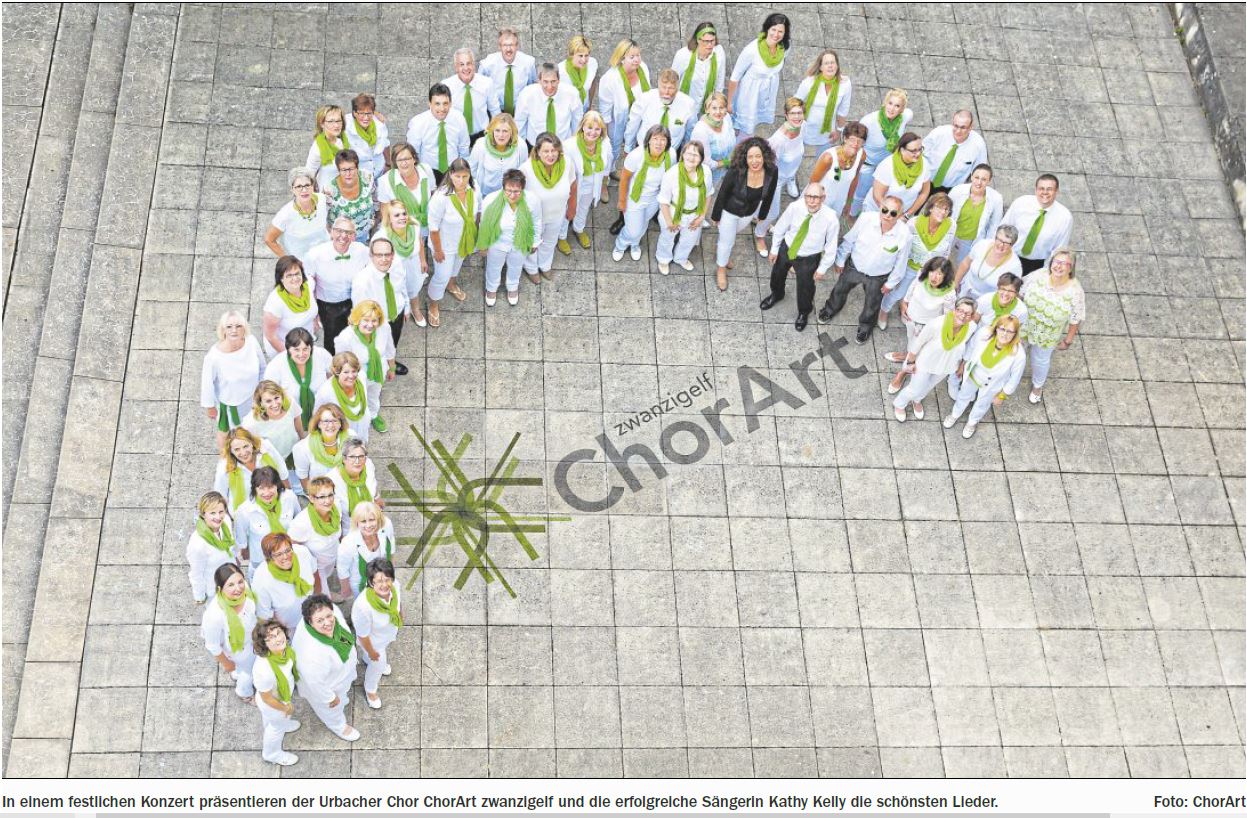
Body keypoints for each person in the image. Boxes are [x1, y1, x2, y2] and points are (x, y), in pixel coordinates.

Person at [819, 195, 913, 343]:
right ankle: (829, 310)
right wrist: (840, 260)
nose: (887, 215)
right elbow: (850, 240)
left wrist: (891, 283)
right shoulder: (866, 219)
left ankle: (865, 327)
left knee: (872, 304)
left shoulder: (905, 235)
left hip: (878, 277)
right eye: (885, 210)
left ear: (900, 215)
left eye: (893, 213)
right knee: (839, 290)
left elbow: (901, 262)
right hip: (854, 267)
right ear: (880, 207)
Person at [759, 183, 840, 331]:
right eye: (808, 196)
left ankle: (804, 312)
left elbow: (831, 246)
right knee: (777, 275)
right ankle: (776, 294)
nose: (811, 201)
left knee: (805, 287)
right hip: (788, 248)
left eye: (816, 197)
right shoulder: (795, 207)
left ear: (823, 198)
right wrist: (774, 249)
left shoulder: (830, 218)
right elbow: (781, 227)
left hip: (809, 257)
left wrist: (822, 268)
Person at [891, 297, 977, 422]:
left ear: (972, 316)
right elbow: (919, 342)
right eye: (960, 310)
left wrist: (962, 364)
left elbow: (967, 347)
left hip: (947, 365)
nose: (963, 316)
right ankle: (899, 404)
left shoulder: (971, 327)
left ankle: (917, 400)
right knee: (914, 389)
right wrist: (910, 361)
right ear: (954, 310)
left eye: (967, 313)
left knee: (928, 386)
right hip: (926, 363)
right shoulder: (937, 324)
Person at [708, 136, 778, 291]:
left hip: (748, 213)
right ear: (745, 158)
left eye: (758, 156)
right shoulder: (736, 171)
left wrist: (763, 214)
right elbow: (723, 193)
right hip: (729, 212)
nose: (754, 161)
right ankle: (721, 268)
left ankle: (722, 253)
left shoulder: (772, 171)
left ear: (764, 156)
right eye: (750, 157)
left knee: (729, 237)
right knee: (727, 241)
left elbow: (770, 193)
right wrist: (716, 215)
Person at [878, 192, 954, 331]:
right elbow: (902, 248)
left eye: (946, 209)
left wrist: (943, 269)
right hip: (911, 267)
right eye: (939, 207)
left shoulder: (951, 225)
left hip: (931, 270)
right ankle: (883, 311)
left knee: (917, 294)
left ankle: (905, 308)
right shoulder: (914, 223)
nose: (943, 212)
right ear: (931, 207)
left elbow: (948, 248)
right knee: (897, 293)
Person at [943, 315, 1028, 438]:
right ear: (996, 328)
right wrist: (963, 364)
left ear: (1015, 334)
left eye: (1010, 331)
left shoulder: (1018, 354)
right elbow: (971, 347)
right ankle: (954, 414)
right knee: (963, 395)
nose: (1004, 334)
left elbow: (1014, 379)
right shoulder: (984, 333)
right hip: (973, 376)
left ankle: (972, 423)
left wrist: (1002, 395)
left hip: (992, 385)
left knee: (982, 405)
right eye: (1002, 329)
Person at [291, 594, 360, 742]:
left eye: (329, 616)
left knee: (342, 697)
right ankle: (338, 725)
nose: (328, 623)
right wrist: (330, 698)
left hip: (340, 675)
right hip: (328, 686)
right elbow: (315, 683)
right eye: (320, 620)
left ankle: (341, 699)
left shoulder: (331, 612)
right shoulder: (311, 655)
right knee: (331, 709)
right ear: (310, 622)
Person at [1021, 248, 1085, 403]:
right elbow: (1020, 293)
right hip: (1024, 326)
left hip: (1048, 334)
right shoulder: (1038, 275)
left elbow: (1076, 318)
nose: (1059, 266)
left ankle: (1037, 387)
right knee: (1016, 355)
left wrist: (1068, 340)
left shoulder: (1075, 291)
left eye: (1065, 263)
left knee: (1040, 361)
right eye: (1057, 261)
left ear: (1071, 268)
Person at [884, 257, 958, 388]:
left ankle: (903, 373)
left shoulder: (949, 294)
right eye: (932, 271)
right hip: (911, 317)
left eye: (939, 274)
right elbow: (911, 288)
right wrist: (904, 303)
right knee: (910, 340)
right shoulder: (921, 276)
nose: (934, 277)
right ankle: (907, 354)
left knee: (917, 347)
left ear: (945, 276)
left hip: (926, 327)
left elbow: (947, 316)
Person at [201, 309, 268, 449]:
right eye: (229, 326)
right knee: (228, 434)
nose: (234, 330)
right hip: (231, 404)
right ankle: (225, 458)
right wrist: (210, 407)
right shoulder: (214, 357)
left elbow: (262, 367)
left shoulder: (251, 342)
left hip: (253, 398)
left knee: (252, 429)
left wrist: (262, 393)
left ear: (244, 328)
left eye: (238, 326)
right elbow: (207, 384)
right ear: (223, 330)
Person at [426, 158, 480, 327]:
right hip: (444, 245)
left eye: (465, 176)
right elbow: (433, 227)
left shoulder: (474, 189)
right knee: (441, 275)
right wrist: (438, 250)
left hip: (464, 240)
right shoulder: (441, 197)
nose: (461, 181)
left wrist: (476, 235)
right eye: (457, 176)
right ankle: (433, 303)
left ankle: (451, 285)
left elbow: (477, 212)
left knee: (456, 268)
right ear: (450, 174)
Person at [478, 169, 541, 306]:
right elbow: (484, 224)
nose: (512, 195)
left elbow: (536, 221)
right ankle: (491, 288)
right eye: (508, 190)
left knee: (516, 266)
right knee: (493, 267)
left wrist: (535, 242)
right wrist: (483, 245)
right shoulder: (490, 200)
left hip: (520, 241)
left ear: (523, 188)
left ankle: (512, 287)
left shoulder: (532, 200)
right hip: (497, 243)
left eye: (517, 191)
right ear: (503, 187)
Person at [304, 217, 367, 354]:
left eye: (348, 232)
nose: (343, 236)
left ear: (354, 236)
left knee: (355, 334)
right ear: (331, 232)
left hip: (354, 300)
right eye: (339, 231)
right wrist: (313, 314)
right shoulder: (315, 255)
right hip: (329, 305)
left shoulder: (362, 251)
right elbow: (308, 285)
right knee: (332, 339)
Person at [612, 125, 674, 263]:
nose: (659, 143)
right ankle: (620, 244)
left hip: (654, 198)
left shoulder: (671, 155)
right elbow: (624, 179)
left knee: (643, 223)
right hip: (635, 198)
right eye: (655, 138)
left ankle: (634, 244)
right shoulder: (636, 156)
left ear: (668, 142)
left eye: (663, 139)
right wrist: (621, 201)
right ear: (648, 140)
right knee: (633, 229)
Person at [333, 300, 395, 434]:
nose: (370, 325)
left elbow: (389, 348)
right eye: (366, 320)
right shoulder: (345, 338)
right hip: (355, 377)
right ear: (357, 319)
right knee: (355, 401)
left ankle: (373, 414)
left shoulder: (384, 328)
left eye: (374, 320)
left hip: (378, 371)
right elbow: (340, 364)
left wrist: (392, 367)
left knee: (374, 394)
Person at [521, 132, 578, 277]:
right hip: (534, 218)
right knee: (531, 244)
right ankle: (531, 268)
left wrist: (572, 207)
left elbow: (573, 185)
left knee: (550, 242)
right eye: (546, 151)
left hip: (557, 214)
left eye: (554, 150)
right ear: (538, 152)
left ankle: (545, 265)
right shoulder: (526, 169)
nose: (550, 155)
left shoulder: (567, 163)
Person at [350, 237, 409, 378]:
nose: (384, 259)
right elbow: (360, 311)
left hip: (397, 313)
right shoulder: (362, 282)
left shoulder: (397, 265)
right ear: (371, 256)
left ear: (392, 255)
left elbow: (402, 287)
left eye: (387, 254)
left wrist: (406, 307)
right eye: (378, 255)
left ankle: (391, 363)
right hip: (377, 322)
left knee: (393, 340)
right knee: (377, 348)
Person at [202, 563, 258, 704]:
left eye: (240, 581)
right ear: (220, 589)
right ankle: (244, 693)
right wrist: (228, 664)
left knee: (246, 669)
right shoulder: (214, 615)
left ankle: (238, 674)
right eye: (231, 585)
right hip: (236, 649)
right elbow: (212, 646)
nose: (238, 588)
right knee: (248, 673)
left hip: (252, 640)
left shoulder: (245, 590)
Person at [655, 140, 714, 276]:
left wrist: (701, 216)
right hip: (672, 212)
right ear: (682, 155)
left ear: (701, 158)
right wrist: (670, 222)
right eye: (689, 153)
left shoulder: (706, 172)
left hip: (695, 213)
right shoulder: (672, 174)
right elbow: (663, 201)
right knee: (667, 238)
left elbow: (708, 195)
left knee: (689, 240)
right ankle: (663, 259)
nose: (691, 158)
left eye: (696, 155)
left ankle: (681, 258)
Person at [727, 12, 789, 137]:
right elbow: (735, 77)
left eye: (780, 31)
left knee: (756, 122)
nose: (776, 34)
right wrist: (729, 103)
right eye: (773, 29)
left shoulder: (785, 47)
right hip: (750, 92)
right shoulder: (752, 50)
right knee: (743, 127)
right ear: (767, 28)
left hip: (768, 91)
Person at [350, 559, 402, 710]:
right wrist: (372, 652)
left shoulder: (395, 586)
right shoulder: (363, 607)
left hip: (386, 634)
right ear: (371, 582)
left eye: (387, 579)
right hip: (373, 642)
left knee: (376, 659)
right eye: (379, 581)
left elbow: (398, 602)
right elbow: (362, 636)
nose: (384, 584)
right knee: (378, 665)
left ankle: (368, 659)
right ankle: (370, 690)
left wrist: (401, 615)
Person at [852, 88, 913, 216]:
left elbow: (910, 113)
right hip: (868, 165)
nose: (892, 108)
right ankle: (852, 214)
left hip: (887, 165)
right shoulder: (868, 122)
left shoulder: (905, 117)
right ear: (885, 102)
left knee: (882, 192)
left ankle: (871, 214)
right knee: (861, 193)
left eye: (897, 106)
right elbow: (856, 142)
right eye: (890, 103)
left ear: (902, 109)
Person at [251, 618, 301, 766]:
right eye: (270, 638)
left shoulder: (284, 652)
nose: (278, 639)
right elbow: (267, 698)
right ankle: (271, 754)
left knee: (273, 723)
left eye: (278, 633)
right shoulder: (264, 669)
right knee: (275, 728)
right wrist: (285, 708)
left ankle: (282, 724)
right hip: (273, 704)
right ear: (264, 644)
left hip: (279, 697)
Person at [1001, 174, 1074, 275]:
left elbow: (1059, 249)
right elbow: (1003, 229)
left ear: (1057, 191)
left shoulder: (1065, 217)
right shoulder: (1021, 203)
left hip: (1037, 265)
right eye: (1041, 188)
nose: (1045, 192)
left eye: (1049, 189)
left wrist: (1045, 272)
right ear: (1035, 190)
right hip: (1010, 256)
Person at [598, 40, 651, 172]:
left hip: (639, 118)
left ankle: (631, 169)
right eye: (632, 57)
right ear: (622, 59)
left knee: (638, 145)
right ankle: (610, 171)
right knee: (614, 148)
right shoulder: (610, 79)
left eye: (638, 55)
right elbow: (605, 109)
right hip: (617, 121)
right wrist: (606, 132)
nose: (637, 60)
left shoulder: (643, 68)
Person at [234, 466, 300, 574]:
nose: (267, 493)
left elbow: (298, 521)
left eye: (270, 487)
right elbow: (242, 541)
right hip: (262, 560)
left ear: (277, 485)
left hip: (288, 555)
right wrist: (246, 553)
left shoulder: (289, 497)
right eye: (261, 488)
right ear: (255, 489)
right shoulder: (244, 510)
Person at [265, 328, 333, 430]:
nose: (301, 354)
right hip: (292, 422)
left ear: (311, 348)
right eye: (296, 349)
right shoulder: (275, 366)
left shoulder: (321, 355)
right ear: (288, 349)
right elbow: (267, 396)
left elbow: (334, 374)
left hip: (323, 417)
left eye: (305, 349)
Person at [375, 200, 428, 329]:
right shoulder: (382, 236)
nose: (402, 217)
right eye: (397, 215)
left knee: (413, 289)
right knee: (395, 293)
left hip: (413, 265)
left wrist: (422, 260)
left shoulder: (414, 225)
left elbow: (420, 242)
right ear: (389, 218)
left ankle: (415, 309)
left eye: (404, 213)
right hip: (393, 271)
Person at [671, 21, 726, 144]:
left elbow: (719, 81)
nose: (710, 45)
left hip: (704, 108)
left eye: (712, 41)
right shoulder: (683, 55)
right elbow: (673, 80)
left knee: (698, 139)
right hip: (684, 107)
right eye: (706, 41)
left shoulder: (719, 52)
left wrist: (715, 104)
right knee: (678, 135)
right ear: (698, 40)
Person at [289, 476, 346, 593]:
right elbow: (292, 548)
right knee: (322, 594)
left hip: (332, 558)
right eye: (322, 497)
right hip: (316, 566)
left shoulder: (336, 507)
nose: (328, 501)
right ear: (311, 498)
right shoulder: (301, 523)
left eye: (330, 495)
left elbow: (339, 529)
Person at [214, 427, 291, 513]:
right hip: (245, 514)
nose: (243, 453)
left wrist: (289, 500)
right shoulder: (224, 467)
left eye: (245, 446)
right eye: (237, 449)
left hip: (274, 508)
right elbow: (220, 496)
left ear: (252, 443)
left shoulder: (266, 448)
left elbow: (282, 474)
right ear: (231, 451)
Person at [563, 111, 611, 247]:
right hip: (573, 187)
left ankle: (578, 229)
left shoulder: (605, 144)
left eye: (597, 129)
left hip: (592, 186)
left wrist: (603, 184)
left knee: (584, 208)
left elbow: (606, 165)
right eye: (590, 127)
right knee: (567, 210)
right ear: (582, 126)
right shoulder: (569, 146)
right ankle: (561, 236)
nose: (593, 132)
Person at [406, 84, 469, 184]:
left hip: (453, 170)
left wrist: (462, 171)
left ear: (450, 103)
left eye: (445, 103)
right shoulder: (417, 123)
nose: (442, 108)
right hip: (428, 171)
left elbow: (464, 148)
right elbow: (413, 153)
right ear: (430, 104)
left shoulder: (459, 118)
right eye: (437, 104)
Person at [265, 168, 330, 264]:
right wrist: (288, 261)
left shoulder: (322, 199)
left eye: (307, 185)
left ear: (313, 186)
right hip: (301, 259)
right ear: (292, 190)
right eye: (299, 186)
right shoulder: (286, 214)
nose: (304, 190)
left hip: (323, 253)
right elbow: (269, 239)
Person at [253, 532, 315, 632]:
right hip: (288, 629)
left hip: (312, 617)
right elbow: (265, 617)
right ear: (269, 557)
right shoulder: (261, 579)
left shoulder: (302, 553)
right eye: (278, 554)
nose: (285, 556)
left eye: (287, 550)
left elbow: (315, 573)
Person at [624, 68, 697, 152]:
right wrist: (628, 148)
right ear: (658, 86)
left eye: (671, 88)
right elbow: (633, 124)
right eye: (663, 87)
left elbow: (689, 132)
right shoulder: (644, 99)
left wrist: (685, 153)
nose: (666, 92)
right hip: (644, 150)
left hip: (671, 153)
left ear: (677, 88)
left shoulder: (689, 104)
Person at [187, 491, 239, 605]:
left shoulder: (226, 522)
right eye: (212, 513)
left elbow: (230, 546)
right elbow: (196, 574)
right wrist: (200, 597)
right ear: (203, 514)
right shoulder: (198, 544)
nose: (218, 517)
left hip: (233, 579)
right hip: (215, 590)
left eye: (221, 512)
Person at [336, 501, 397, 598]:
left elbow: (391, 547)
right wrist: (345, 588)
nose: (368, 525)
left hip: (385, 576)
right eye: (363, 521)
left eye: (372, 520)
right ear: (357, 522)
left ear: (378, 519)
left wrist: (392, 572)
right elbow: (342, 569)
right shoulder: (348, 543)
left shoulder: (387, 525)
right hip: (361, 582)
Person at [794, 49, 852, 152]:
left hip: (827, 131)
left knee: (823, 157)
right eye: (826, 63)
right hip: (806, 127)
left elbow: (843, 111)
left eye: (832, 62)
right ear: (820, 67)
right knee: (796, 154)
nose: (830, 66)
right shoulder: (809, 82)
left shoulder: (845, 84)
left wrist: (839, 131)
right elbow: (795, 103)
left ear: (837, 65)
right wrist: (793, 126)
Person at [262, 255, 318, 358]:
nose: (295, 278)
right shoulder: (275, 303)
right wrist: (291, 355)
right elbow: (270, 336)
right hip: (284, 346)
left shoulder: (308, 284)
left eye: (297, 273)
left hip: (306, 340)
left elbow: (314, 297)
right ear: (281, 279)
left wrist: (315, 320)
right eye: (289, 275)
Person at [948, 163, 1003, 266]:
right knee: (940, 258)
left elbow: (995, 225)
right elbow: (946, 210)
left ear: (989, 181)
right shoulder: (957, 190)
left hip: (971, 239)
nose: (979, 182)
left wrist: (987, 245)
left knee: (962, 265)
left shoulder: (996, 198)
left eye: (984, 179)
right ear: (971, 176)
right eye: (977, 177)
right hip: (951, 233)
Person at [865, 131, 930, 217]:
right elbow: (878, 196)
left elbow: (924, 193)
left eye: (920, 149)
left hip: (904, 214)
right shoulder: (887, 166)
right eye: (913, 151)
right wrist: (892, 215)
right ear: (902, 150)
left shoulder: (924, 164)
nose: (918, 154)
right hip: (880, 210)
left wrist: (907, 215)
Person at [923, 110, 988, 194]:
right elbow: (922, 153)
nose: (958, 131)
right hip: (925, 181)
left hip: (951, 189)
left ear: (971, 127)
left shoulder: (978, 145)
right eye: (956, 126)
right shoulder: (938, 133)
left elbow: (979, 171)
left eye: (963, 127)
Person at [514, 62, 581, 144]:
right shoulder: (526, 94)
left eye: (553, 81)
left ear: (559, 80)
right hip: (535, 145)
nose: (550, 87)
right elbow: (519, 123)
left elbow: (577, 122)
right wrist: (522, 147)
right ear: (539, 81)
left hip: (563, 145)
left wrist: (574, 144)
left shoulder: (572, 94)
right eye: (545, 81)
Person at [809, 121, 866, 216]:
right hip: (819, 197)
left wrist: (849, 203)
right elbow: (812, 183)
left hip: (839, 199)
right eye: (852, 139)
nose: (856, 144)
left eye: (860, 141)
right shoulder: (828, 158)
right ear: (845, 138)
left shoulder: (861, 155)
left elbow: (855, 179)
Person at [314, 352, 372, 441]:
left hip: (362, 425)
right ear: (337, 372)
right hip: (342, 433)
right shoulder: (325, 392)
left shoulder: (362, 376)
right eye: (346, 372)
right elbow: (317, 416)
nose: (351, 376)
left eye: (354, 371)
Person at [954, 224, 1023, 300]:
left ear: (1012, 245)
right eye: (999, 240)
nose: (1001, 245)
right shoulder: (982, 245)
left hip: (986, 300)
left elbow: (1011, 292)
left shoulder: (1014, 266)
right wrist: (956, 284)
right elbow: (965, 263)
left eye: (1006, 243)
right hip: (964, 290)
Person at [241, 379, 303, 462]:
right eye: (268, 401)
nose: (274, 404)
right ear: (260, 403)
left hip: (293, 449)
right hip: (273, 459)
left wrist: (302, 443)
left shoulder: (290, 403)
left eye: (276, 398)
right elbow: (247, 444)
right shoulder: (251, 422)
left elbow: (298, 424)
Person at [292, 404, 349, 494]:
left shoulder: (350, 438)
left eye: (335, 420)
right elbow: (303, 477)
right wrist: (313, 496)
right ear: (318, 424)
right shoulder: (302, 448)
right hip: (321, 493)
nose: (330, 425)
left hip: (345, 488)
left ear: (340, 423)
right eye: (326, 421)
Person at [480, 28, 538, 117]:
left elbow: (531, 88)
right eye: (505, 45)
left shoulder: (528, 63)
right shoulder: (487, 64)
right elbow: (480, 89)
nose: (508, 49)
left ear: (517, 46)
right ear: (499, 46)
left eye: (511, 45)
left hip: (520, 111)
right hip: (495, 112)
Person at [469, 113, 528, 198]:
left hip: (511, 196)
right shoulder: (480, 145)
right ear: (492, 130)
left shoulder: (521, 145)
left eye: (505, 131)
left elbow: (523, 172)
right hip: (486, 195)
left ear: (512, 132)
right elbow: (472, 170)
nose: (501, 135)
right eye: (497, 130)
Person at [444, 48, 494, 145]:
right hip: (456, 139)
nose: (466, 68)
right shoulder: (447, 86)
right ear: (456, 67)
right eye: (461, 64)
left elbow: (495, 112)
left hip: (482, 138)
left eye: (469, 63)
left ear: (474, 65)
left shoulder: (487, 83)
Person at [763, 96, 806, 209]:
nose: (797, 117)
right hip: (777, 179)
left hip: (790, 172)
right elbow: (768, 165)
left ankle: (791, 179)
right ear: (786, 115)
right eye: (792, 113)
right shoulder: (779, 141)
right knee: (772, 211)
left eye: (799, 113)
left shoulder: (803, 126)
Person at [324, 149, 375, 239]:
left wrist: (375, 219)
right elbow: (324, 215)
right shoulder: (329, 190)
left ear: (357, 167)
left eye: (351, 169)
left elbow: (374, 196)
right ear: (338, 170)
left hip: (364, 231)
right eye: (344, 170)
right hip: (341, 238)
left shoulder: (367, 177)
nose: (348, 174)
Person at [689, 92, 736, 187]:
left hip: (724, 171)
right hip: (705, 176)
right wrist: (727, 161)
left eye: (721, 108)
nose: (718, 112)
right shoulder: (701, 131)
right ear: (707, 109)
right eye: (714, 108)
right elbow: (707, 163)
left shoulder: (726, 118)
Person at [328, 438, 380, 520]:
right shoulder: (332, 480)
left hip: (372, 522)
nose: (357, 461)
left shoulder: (368, 465)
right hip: (349, 526)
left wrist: (377, 498)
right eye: (352, 457)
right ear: (344, 459)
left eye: (361, 456)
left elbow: (373, 485)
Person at [343, 93, 388, 179]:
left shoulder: (379, 123)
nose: (366, 117)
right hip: (357, 176)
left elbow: (386, 144)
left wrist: (388, 164)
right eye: (361, 113)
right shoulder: (346, 125)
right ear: (354, 113)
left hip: (378, 172)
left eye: (369, 113)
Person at [305, 105, 348, 190]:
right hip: (327, 195)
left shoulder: (344, 141)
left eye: (338, 121)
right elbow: (308, 176)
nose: (336, 125)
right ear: (322, 124)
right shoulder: (318, 148)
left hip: (347, 192)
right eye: (331, 121)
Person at [559, 35, 599, 114]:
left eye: (586, 55)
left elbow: (592, 83)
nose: (584, 60)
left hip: (584, 109)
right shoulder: (561, 71)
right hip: (568, 113)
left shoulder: (592, 64)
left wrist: (590, 105)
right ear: (571, 55)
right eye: (580, 56)